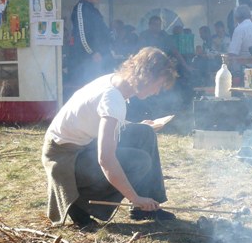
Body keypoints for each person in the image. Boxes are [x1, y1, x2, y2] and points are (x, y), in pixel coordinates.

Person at [41, 47, 178, 227]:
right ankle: (79, 205)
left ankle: (147, 207)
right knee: (140, 161)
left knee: (144, 133)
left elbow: (100, 117)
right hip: (64, 158)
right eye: (158, 85)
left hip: (83, 144)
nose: (157, 91)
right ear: (147, 77)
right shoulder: (113, 99)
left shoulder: (114, 82)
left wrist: (135, 125)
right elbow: (105, 159)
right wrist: (134, 197)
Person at [70, 0, 113, 89]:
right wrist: (92, 53)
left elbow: (101, 32)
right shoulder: (80, 8)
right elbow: (81, 34)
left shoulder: (93, 10)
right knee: (90, 87)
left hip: (99, 56)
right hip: (87, 60)